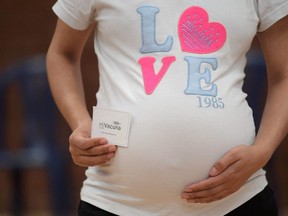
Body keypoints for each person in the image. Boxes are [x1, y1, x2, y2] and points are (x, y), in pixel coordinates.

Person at [46, 0, 288, 215]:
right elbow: (61, 54)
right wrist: (80, 123)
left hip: (238, 201)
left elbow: (284, 75)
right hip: (112, 201)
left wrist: (262, 151)